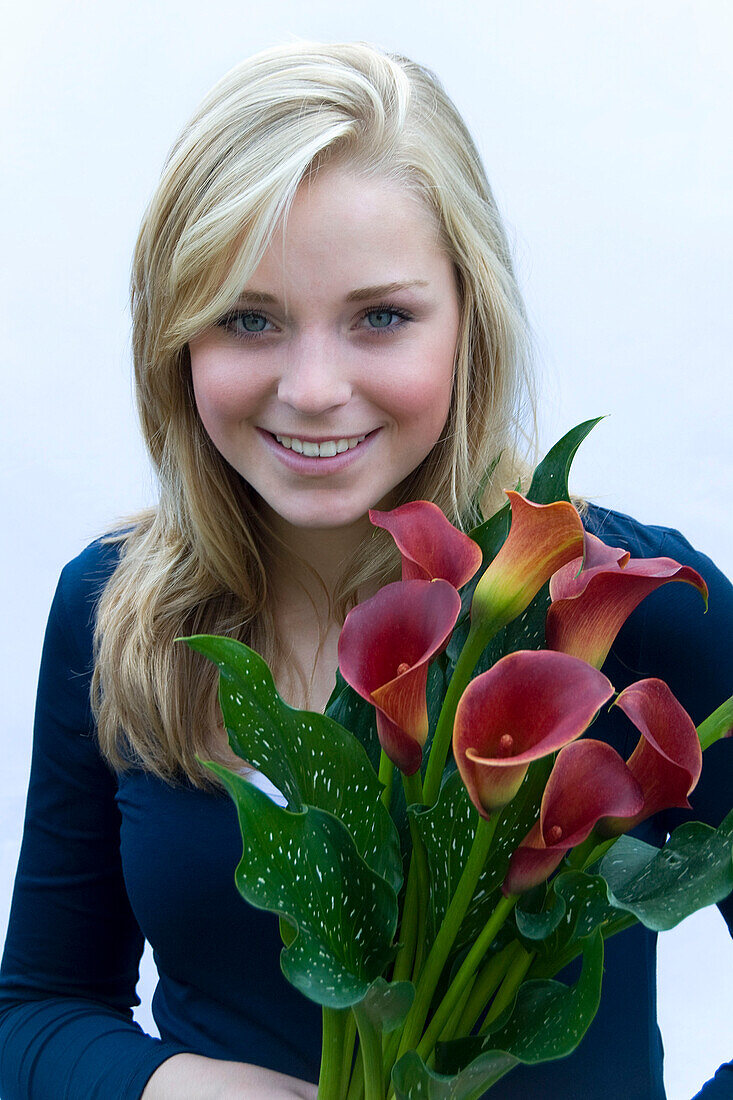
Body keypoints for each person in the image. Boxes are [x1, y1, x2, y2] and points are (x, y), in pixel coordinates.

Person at [0, 39, 730, 1100]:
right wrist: (178, 1088)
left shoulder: (617, 608)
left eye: (379, 316)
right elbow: (37, 1008)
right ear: (177, 339)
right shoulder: (117, 611)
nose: (312, 387)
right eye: (248, 318)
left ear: (467, 318)